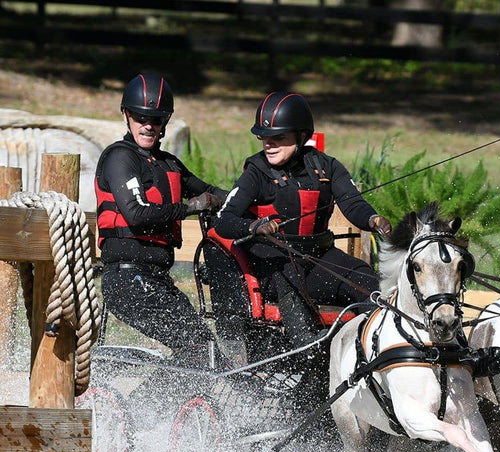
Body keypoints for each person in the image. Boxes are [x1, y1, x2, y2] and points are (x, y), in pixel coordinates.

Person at [214, 91, 392, 348]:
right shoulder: (256, 171)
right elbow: (224, 220)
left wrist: (373, 219)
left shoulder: (327, 167)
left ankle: (377, 346)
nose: (269, 144)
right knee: (288, 278)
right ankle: (307, 349)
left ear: (301, 136)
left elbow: (353, 204)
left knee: (369, 283)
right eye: (264, 137)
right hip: (273, 264)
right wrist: (254, 226)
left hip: (318, 258)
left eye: (278, 137)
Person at [95, 73, 229, 366]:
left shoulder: (168, 163)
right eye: (141, 117)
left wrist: (254, 199)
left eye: (155, 119)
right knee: (197, 348)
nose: (148, 125)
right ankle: (144, 407)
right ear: (126, 115)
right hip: (127, 281)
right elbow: (136, 214)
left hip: (156, 279)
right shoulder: (120, 158)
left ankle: (163, 407)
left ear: (165, 121)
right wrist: (190, 208)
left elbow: (212, 192)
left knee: (207, 352)